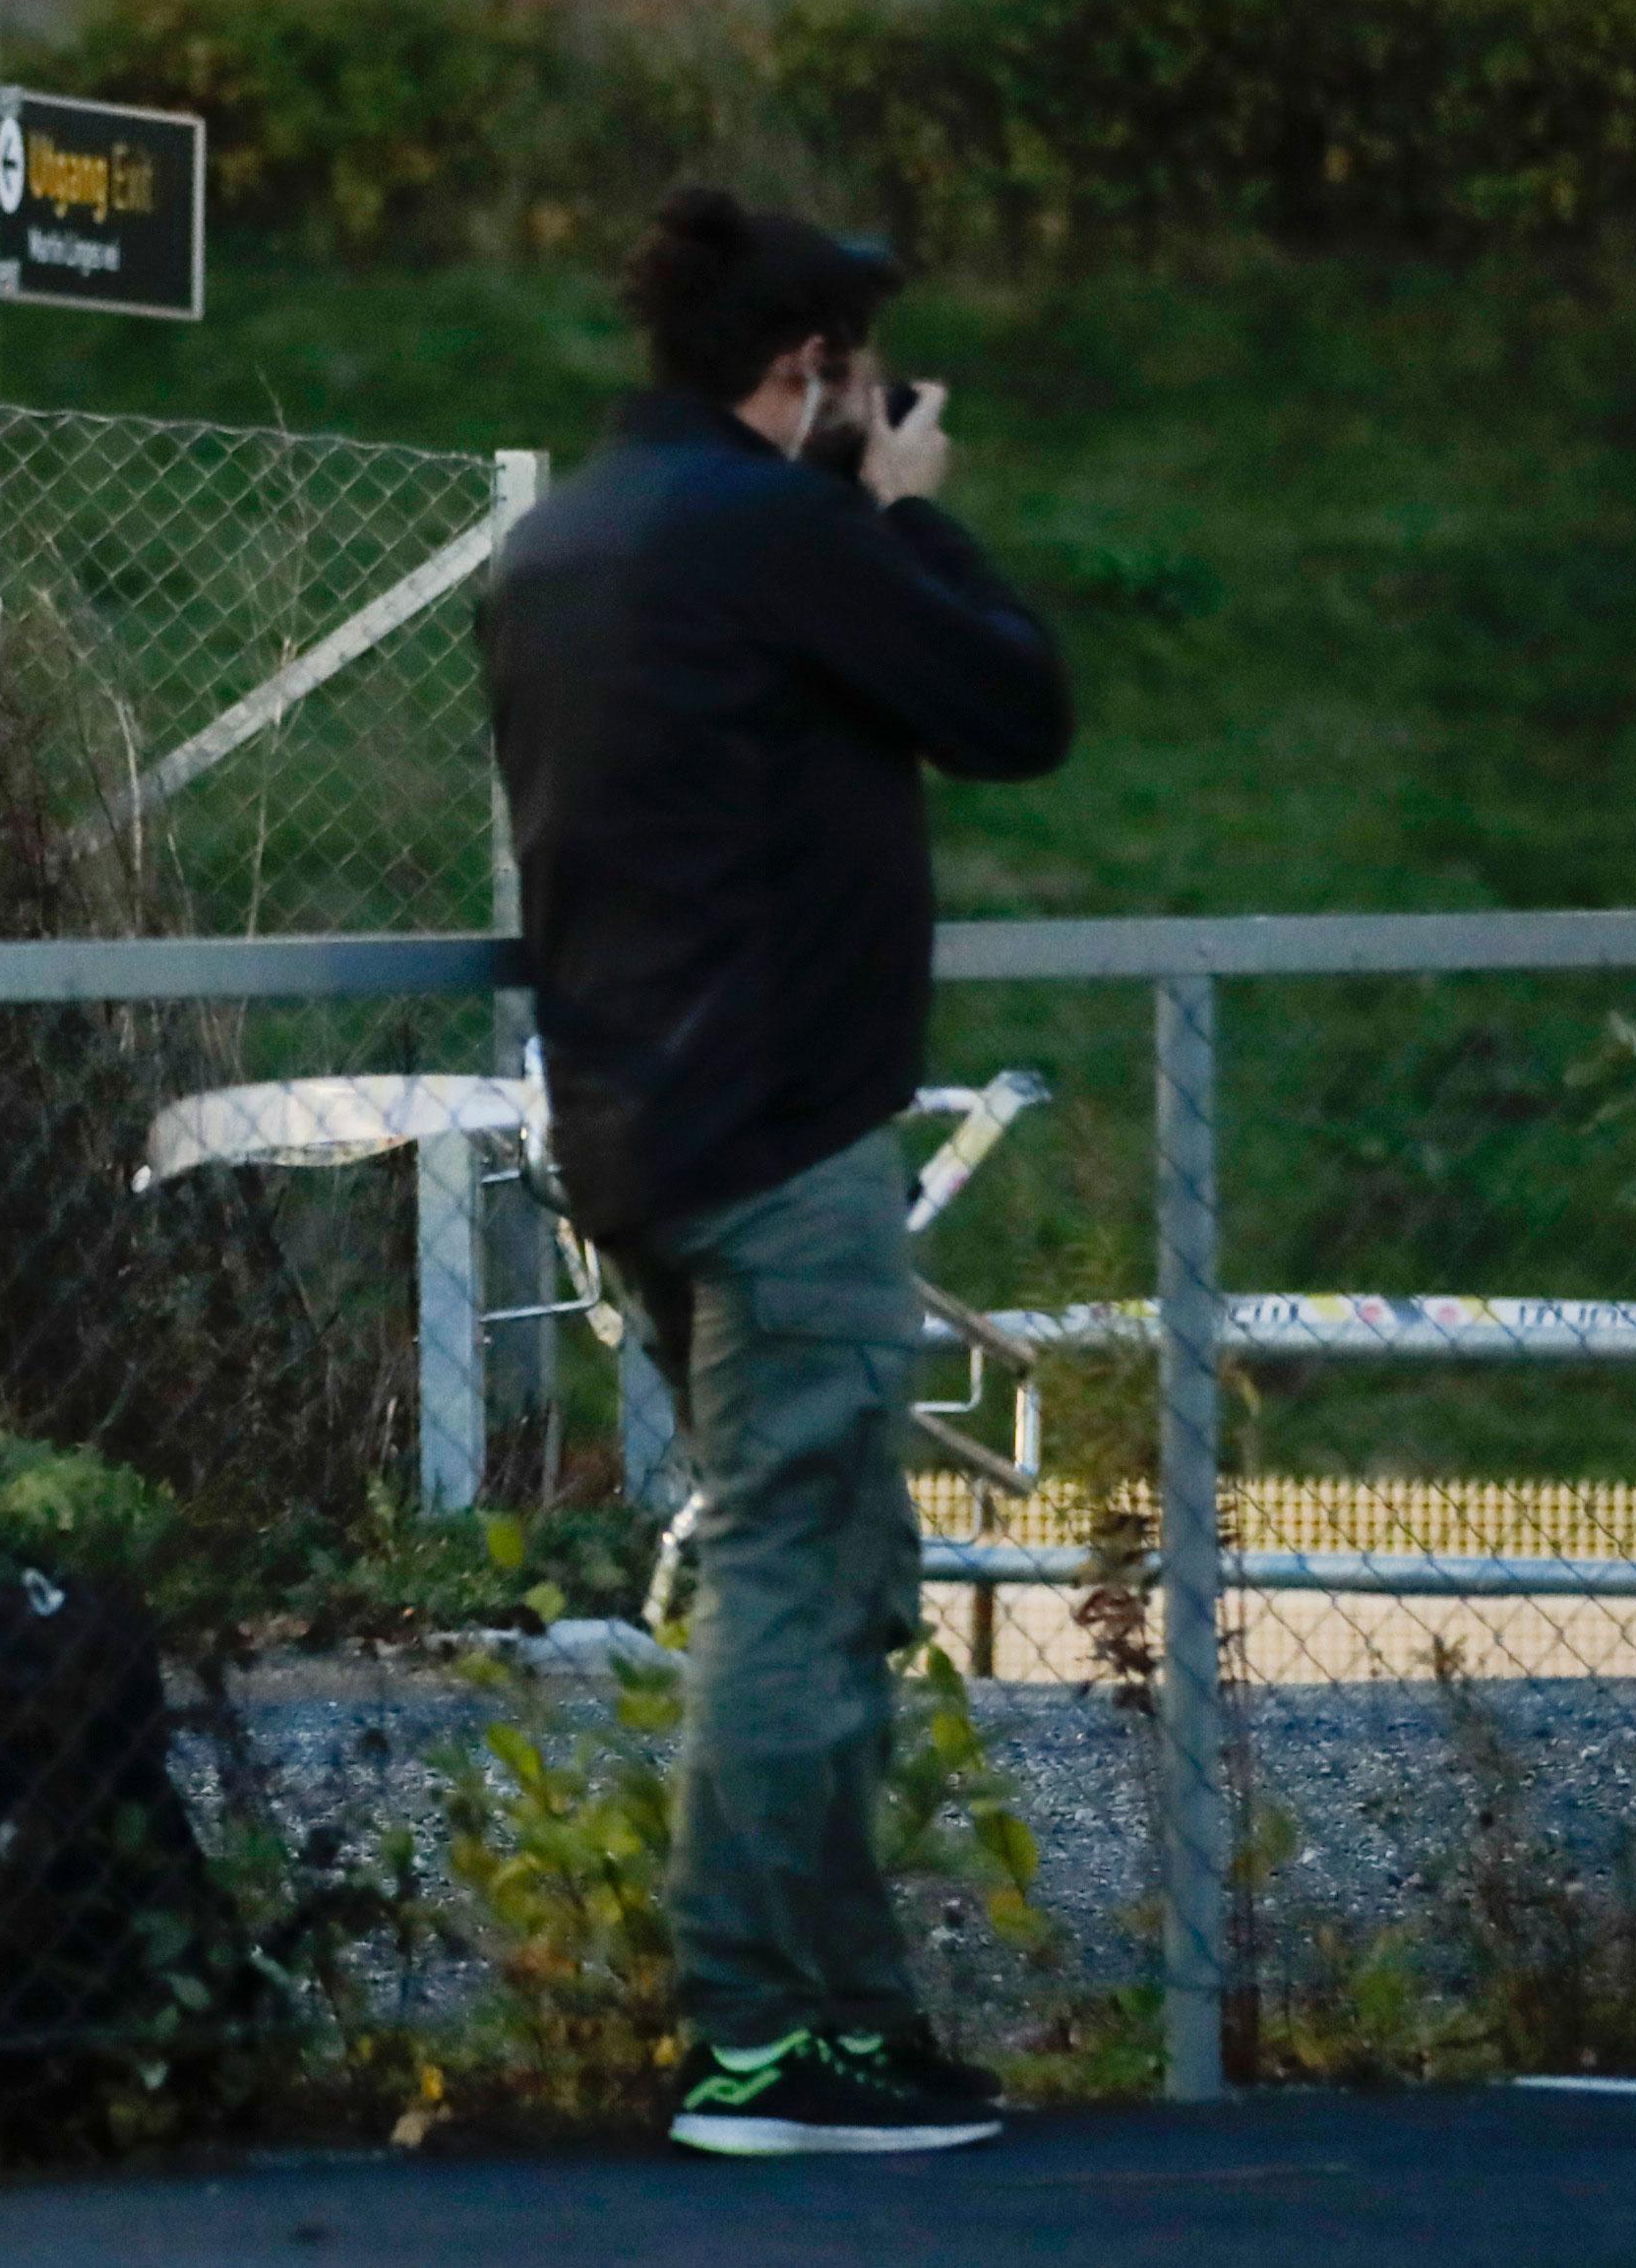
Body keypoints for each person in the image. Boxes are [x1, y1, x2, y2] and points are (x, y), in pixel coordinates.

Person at [480, 187, 1071, 2158]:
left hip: (633, 1122)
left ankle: (845, 2015)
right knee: (792, 1586)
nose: (887, 412)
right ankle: (763, 2042)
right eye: (867, 387)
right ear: (808, 374)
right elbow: (1014, 708)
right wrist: (906, 504)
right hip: (791, 1132)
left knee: (824, 1568)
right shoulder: (782, 535)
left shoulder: (559, 542)